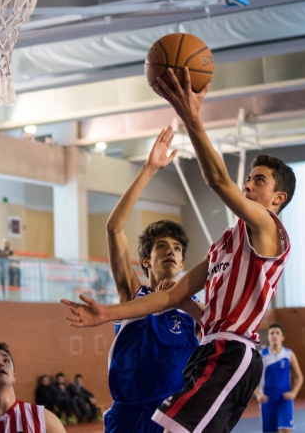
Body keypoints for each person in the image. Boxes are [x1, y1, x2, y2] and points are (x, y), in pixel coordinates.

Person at [64, 67, 295, 433]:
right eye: (249, 178)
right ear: (146, 259)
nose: (249, 184)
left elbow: (218, 180)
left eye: (259, 181)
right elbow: (174, 294)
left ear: (278, 198)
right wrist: (107, 313)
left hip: (231, 351)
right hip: (196, 364)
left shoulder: (268, 227)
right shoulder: (224, 243)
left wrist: (190, 116)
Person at [101, 126, 202, 433]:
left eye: (176, 248)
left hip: (176, 418)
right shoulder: (132, 292)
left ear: (183, 261)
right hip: (130, 417)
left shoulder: (196, 307)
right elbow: (114, 228)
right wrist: (149, 169)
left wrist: (182, 300)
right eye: (161, 247)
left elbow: (220, 334)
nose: (170, 252)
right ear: (146, 260)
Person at [253, 324, 303, 433]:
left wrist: (293, 393)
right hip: (268, 400)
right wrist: (258, 395)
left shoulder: (289, 354)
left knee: (285, 430)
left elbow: (299, 377)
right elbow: (252, 380)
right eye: (272, 333)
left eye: (277, 333)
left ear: (282, 337)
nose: (274, 335)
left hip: (284, 400)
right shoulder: (261, 356)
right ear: (268, 337)